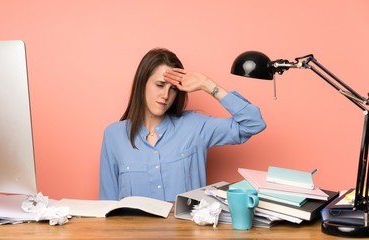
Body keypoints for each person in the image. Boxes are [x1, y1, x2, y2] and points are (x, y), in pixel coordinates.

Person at [99, 48, 266, 201]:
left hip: (186, 233)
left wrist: (207, 84)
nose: (165, 95)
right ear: (141, 84)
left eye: (173, 88)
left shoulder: (195, 127)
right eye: (159, 85)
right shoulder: (114, 136)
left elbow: (253, 123)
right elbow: (107, 205)